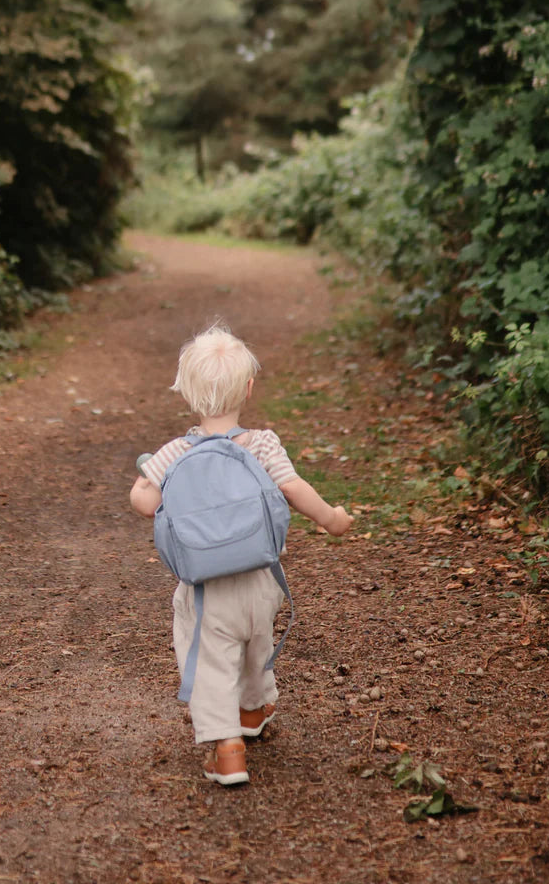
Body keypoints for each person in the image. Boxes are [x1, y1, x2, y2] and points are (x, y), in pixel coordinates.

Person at [129, 323, 352, 786]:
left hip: (206, 588)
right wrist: (331, 518)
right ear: (248, 389)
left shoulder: (174, 452)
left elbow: (145, 503)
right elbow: (294, 489)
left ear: (187, 394)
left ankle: (227, 748)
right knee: (256, 645)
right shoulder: (264, 443)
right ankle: (253, 709)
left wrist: (148, 479)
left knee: (211, 659)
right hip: (261, 578)